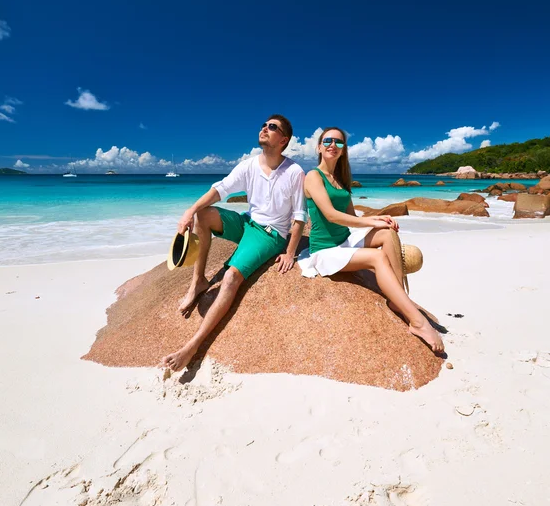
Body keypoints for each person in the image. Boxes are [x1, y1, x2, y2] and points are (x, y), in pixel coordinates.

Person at [162, 115, 307, 371]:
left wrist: (290, 252)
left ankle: (192, 345)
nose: (265, 128)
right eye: (264, 124)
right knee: (203, 215)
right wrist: (189, 210)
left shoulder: (294, 172)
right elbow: (220, 189)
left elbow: (299, 216)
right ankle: (198, 282)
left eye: (272, 127)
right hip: (247, 223)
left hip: (270, 235)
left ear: (283, 140)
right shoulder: (250, 165)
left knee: (230, 278)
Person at [298, 127, 444, 353]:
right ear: (318, 147)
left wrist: (379, 218)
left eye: (339, 142)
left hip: (343, 242)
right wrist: (371, 223)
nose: (332, 145)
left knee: (387, 232)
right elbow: (331, 215)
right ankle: (417, 322)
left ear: (343, 150)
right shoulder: (313, 176)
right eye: (327, 140)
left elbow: (352, 218)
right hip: (325, 251)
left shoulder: (339, 180)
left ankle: (398, 299)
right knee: (376, 257)